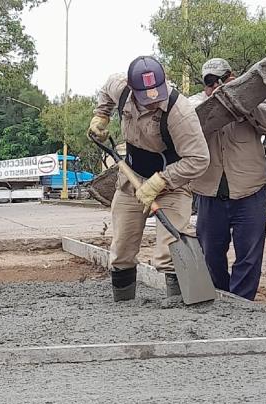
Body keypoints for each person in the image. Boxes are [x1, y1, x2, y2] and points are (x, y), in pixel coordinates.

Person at [88, 56, 210, 301]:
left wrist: (160, 182)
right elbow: (106, 88)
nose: (153, 102)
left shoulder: (180, 111)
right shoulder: (120, 88)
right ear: (132, 90)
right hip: (131, 180)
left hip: (173, 184)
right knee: (121, 250)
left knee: (169, 252)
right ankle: (123, 308)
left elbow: (199, 159)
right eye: (146, 98)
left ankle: (182, 307)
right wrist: (102, 115)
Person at [188, 58, 266, 300]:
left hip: (250, 191)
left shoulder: (255, 101)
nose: (216, 85)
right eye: (210, 81)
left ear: (232, 76)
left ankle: (242, 304)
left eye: (222, 78)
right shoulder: (194, 105)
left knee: (250, 255)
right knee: (210, 253)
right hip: (210, 194)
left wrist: (243, 101)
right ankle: (221, 298)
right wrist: (215, 103)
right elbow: (185, 131)